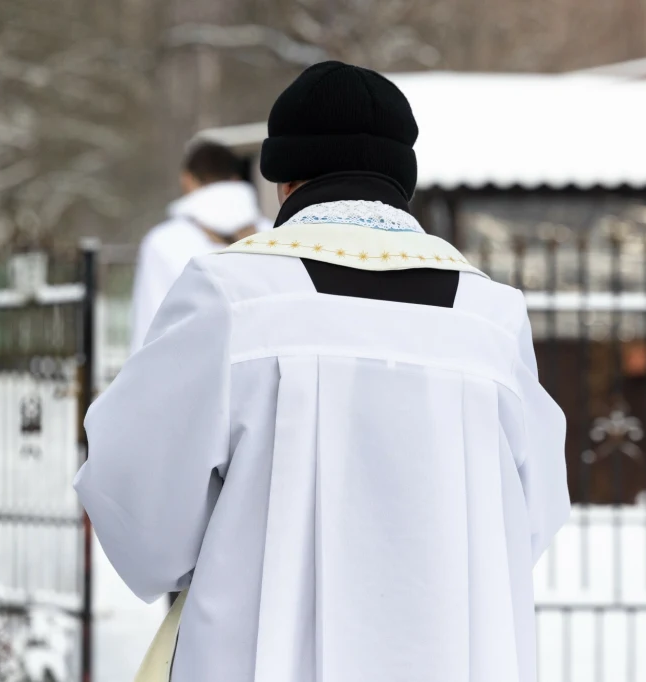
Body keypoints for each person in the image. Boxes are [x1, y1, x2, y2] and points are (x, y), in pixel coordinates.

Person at [76, 61, 570, 682]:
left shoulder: (232, 297)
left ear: (283, 181)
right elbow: (531, 516)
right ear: (402, 181)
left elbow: (139, 503)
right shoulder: (492, 319)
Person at [129, 142, 270, 354]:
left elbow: (150, 329)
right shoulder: (273, 234)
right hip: (262, 374)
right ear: (235, 179)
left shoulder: (164, 242)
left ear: (186, 180)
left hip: (194, 375)